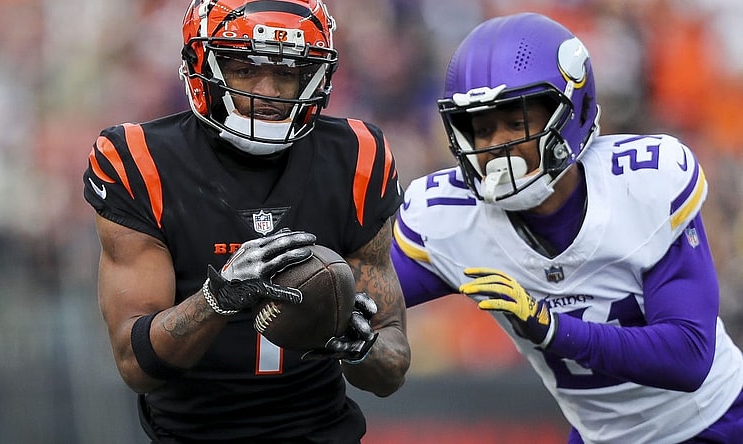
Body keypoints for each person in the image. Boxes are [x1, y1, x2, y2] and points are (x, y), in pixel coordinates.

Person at [391, 12, 743, 444]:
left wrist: (554, 328)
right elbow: (355, 297)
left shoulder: (643, 185)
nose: (497, 145)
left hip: (717, 422)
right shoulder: (451, 217)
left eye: (516, 122)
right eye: (481, 129)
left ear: (570, 113)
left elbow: (688, 357)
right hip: (602, 436)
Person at [82, 0, 410, 442]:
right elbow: (136, 364)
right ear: (201, 66)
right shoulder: (138, 161)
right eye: (243, 69)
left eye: (287, 72)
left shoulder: (358, 157)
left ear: (313, 77)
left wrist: (361, 346)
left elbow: (392, 369)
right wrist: (217, 299)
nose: (268, 90)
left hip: (322, 432)